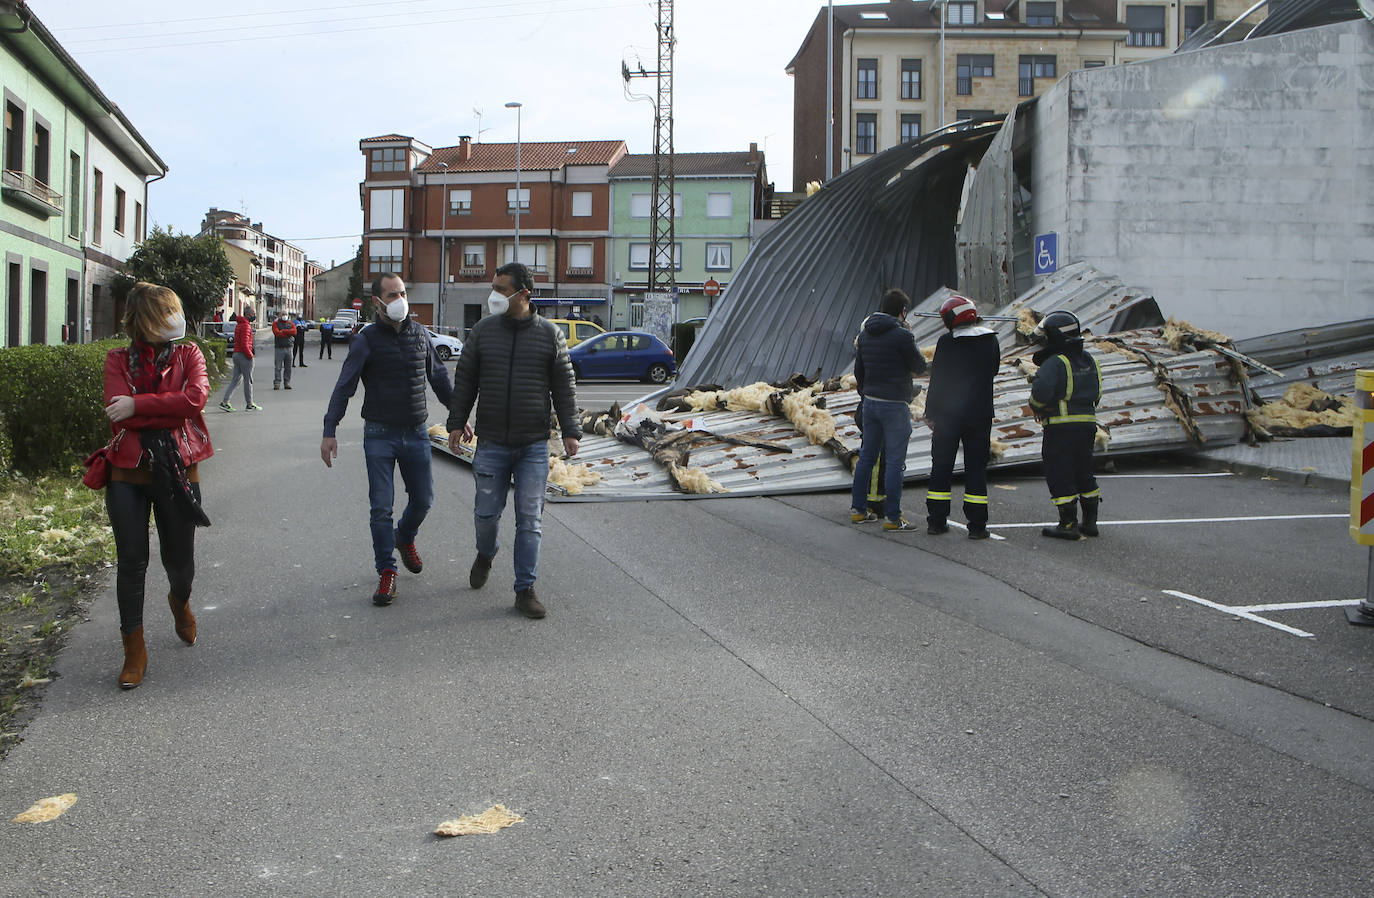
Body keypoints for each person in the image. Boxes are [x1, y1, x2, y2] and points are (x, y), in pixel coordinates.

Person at [446, 261, 581, 620]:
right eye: (494, 287)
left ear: (523, 293)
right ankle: (486, 553)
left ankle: (525, 590)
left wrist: (571, 430)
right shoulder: (483, 332)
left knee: (530, 519)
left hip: (533, 445)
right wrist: (456, 423)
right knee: (486, 516)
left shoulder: (550, 334)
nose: (494, 296)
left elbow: (564, 388)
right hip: (491, 443)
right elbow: (465, 381)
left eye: (501, 289)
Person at [97, 282, 214, 689]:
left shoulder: (189, 354)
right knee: (131, 563)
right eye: (167, 311)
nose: (175, 318)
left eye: (175, 310)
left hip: (178, 468)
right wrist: (161, 408)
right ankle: (134, 650)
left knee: (179, 563)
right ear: (146, 319)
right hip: (126, 472)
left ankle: (179, 602)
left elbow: (195, 399)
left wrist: (139, 405)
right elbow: (118, 413)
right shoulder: (117, 360)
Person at [321, 273, 453, 606]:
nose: (400, 300)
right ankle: (387, 571)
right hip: (379, 434)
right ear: (377, 302)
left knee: (423, 500)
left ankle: (404, 536)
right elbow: (345, 387)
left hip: (416, 432)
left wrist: (461, 418)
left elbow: (439, 380)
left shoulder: (420, 335)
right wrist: (329, 430)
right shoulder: (366, 340)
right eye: (392, 295)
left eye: (403, 293)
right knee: (381, 507)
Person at [924, 294, 1002, 539]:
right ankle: (977, 526)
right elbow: (994, 371)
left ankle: (936, 521)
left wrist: (931, 412)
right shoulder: (990, 341)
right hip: (979, 415)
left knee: (941, 467)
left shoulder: (947, 343)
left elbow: (938, 380)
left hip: (948, 415)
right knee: (976, 469)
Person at [848, 287, 926, 531]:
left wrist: (866, 391)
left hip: (870, 402)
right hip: (894, 405)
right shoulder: (902, 336)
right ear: (903, 311)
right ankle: (893, 518)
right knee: (894, 462)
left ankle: (858, 511)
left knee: (867, 457)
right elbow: (919, 365)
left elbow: (858, 371)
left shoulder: (865, 335)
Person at [1029, 309, 1103, 539]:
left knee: (1059, 471)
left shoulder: (1055, 362)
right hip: (1088, 425)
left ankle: (1068, 525)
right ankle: (1090, 523)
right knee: (1083, 470)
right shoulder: (1089, 360)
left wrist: (1037, 406)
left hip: (1060, 427)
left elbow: (1040, 395)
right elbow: (1097, 393)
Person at [218, 305, 260, 411]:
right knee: (248, 380)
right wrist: (250, 355)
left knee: (235, 380)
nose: (254, 315)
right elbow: (245, 343)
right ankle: (249, 404)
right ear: (247, 314)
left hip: (236, 354)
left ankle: (225, 401)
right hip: (244, 355)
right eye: (253, 314)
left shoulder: (239, 324)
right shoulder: (246, 326)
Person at [271, 311, 296, 390]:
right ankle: (277, 383)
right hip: (279, 348)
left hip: (289, 347)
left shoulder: (290, 323)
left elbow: (294, 332)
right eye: (283, 314)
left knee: (288, 367)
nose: (284, 316)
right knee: (278, 367)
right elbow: (277, 333)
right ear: (279, 316)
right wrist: (288, 333)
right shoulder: (276, 324)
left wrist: (284, 331)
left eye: (286, 314)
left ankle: (287, 382)